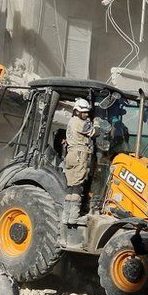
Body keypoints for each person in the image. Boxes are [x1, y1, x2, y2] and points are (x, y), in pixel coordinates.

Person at [62, 98, 97, 228]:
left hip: (70, 154)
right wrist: (97, 125)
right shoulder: (81, 123)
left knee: (70, 185)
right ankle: (74, 217)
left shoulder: (71, 121)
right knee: (78, 186)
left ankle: (66, 216)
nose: (87, 114)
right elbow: (94, 133)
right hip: (79, 155)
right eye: (84, 112)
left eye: (87, 112)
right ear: (77, 111)